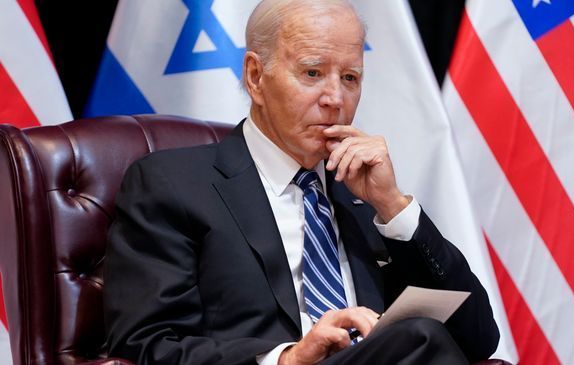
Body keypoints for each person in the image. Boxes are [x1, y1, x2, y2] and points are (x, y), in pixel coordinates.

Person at [103, 1, 500, 364]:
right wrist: (288, 358)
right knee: (419, 337)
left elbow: (477, 336)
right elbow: (146, 344)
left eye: (350, 78)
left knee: (423, 338)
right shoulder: (174, 184)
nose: (334, 98)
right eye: (312, 73)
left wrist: (394, 206)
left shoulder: (361, 196)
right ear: (256, 77)